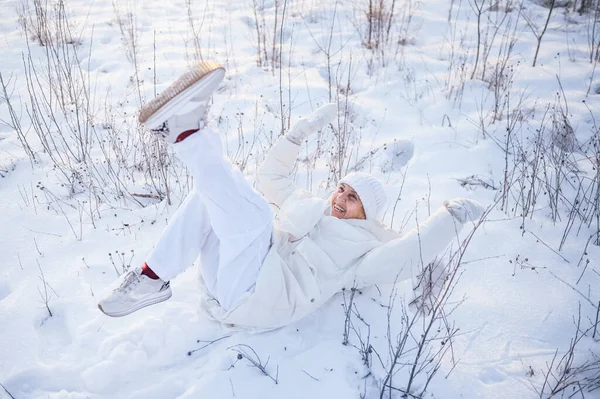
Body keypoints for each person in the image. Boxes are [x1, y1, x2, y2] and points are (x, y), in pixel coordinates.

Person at [98, 61, 484, 329]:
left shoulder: (364, 250)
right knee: (210, 200)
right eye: (342, 189)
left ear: (367, 213)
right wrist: (299, 134)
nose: (340, 198)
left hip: (263, 298)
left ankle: (187, 132)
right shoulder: (311, 209)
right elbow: (273, 177)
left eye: (352, 198)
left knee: (254, 218)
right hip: (230, 281)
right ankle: (150, 278)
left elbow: (407, 256)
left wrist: (450, 218)